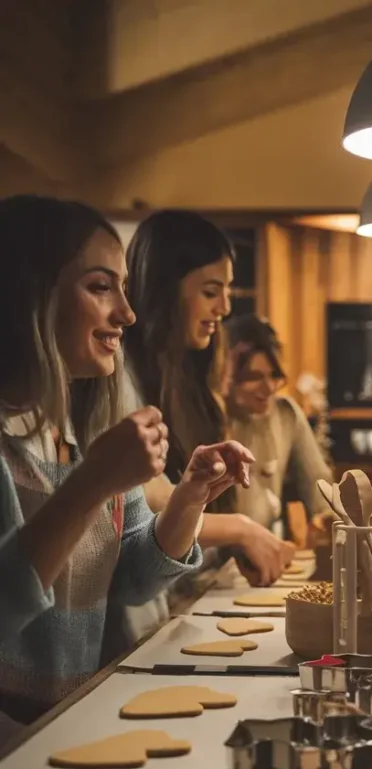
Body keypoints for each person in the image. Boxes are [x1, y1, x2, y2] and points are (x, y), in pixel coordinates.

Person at [0, 196, 253, 736]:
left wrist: (189, 496)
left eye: (123, 287)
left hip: (72, 721)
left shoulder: (83, 434)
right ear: (31, 296)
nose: (127, 313)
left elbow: (138, 579)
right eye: (99, 287)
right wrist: (92, 483)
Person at [124, 210, 294, 585]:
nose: (225, 308)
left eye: (227, 291)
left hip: (187, 596)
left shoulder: (190, 377)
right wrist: (241, 528)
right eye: (210, 292)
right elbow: (148, 497)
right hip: (144, 612)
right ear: (165, 289)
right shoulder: (121, 375)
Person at [222, 314, 332, 531]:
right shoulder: (206, 418)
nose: (269, 388)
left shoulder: (286, 414)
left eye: (274, 375)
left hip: (267, 551)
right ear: (224, 373)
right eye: (253, 377)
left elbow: (319, 488)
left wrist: (330, 517)